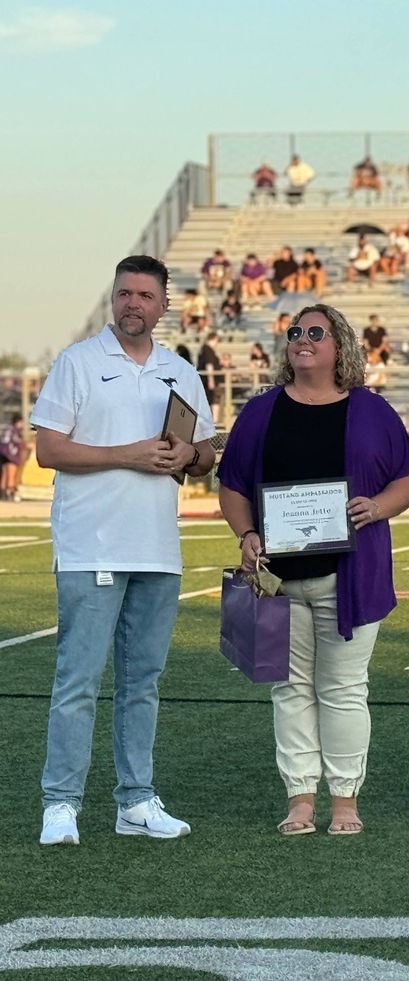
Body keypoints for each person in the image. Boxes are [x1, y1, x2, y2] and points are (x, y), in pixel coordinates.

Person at [31, 255, 217, 846]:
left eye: (144, 295)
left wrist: (187, 456)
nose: (132, 303)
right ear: (113, 299)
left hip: (158, 550)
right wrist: (127, 454)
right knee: (78, 680)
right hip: (92, 547)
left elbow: (207, 450)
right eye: (123, 294)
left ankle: (135, 800)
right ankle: (61, 803)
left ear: (164, 305)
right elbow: (50, 451)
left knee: (143, 683)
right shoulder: (77, 362)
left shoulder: (181, 371)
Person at [218, 303, 409, 836]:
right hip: (277, 580)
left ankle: (345, 801)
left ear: (340, 345)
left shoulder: (372, 409)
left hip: (349, 577)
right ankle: (300, 799)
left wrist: (377, 507)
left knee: (344, 688)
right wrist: (247, 535)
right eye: (295, 332)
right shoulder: (261, 411)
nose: (303, 339)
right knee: (288, 689)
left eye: (316, 332)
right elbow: (233, 485)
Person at [197, 331, 224, 421]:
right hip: (210, 382)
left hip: (205, 381)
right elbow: (209, 365)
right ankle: (214, 422)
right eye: (217, 341)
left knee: (210, 401)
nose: (217, 344)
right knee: (213, 401)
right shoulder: (208, 350)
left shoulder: (204, 349)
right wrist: (211, 380)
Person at [1, 413, 27, 501]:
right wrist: (26, 445)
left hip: (2, 452)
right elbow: (17, 441)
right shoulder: (15, 430)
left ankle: (3, 494)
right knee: (12, 475)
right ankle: (11, 493)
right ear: (18, 421)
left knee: (5, 474)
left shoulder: (8, 428)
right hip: (10, 454)